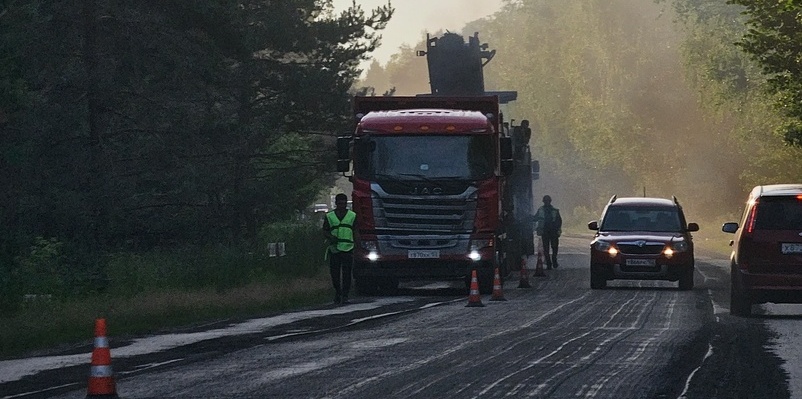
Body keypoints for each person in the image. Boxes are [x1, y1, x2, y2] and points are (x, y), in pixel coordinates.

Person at [322, 193, 357, 304]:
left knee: (347, 274)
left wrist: (358, 245)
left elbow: (355, 231)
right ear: (336, 203)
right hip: (334, 248)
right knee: (335, 274)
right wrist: (331, 237)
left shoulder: (352, 216)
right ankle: (338, 292)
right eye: (340, 203)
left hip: (348, 248)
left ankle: (345, 295)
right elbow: (325, 230)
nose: (342, 205)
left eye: (344, 203)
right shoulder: (329, 216)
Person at [533, 195, 562, 269]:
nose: (546, 202)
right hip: (548, 232)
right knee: (551, 248)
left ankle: (552, 262)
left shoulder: (553, 210)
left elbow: (559, 221)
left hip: (551, 232)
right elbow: (559, 221)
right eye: (546, 201)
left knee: (550, 248)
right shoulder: (543, 210)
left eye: (547, 201)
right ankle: (551, 262)